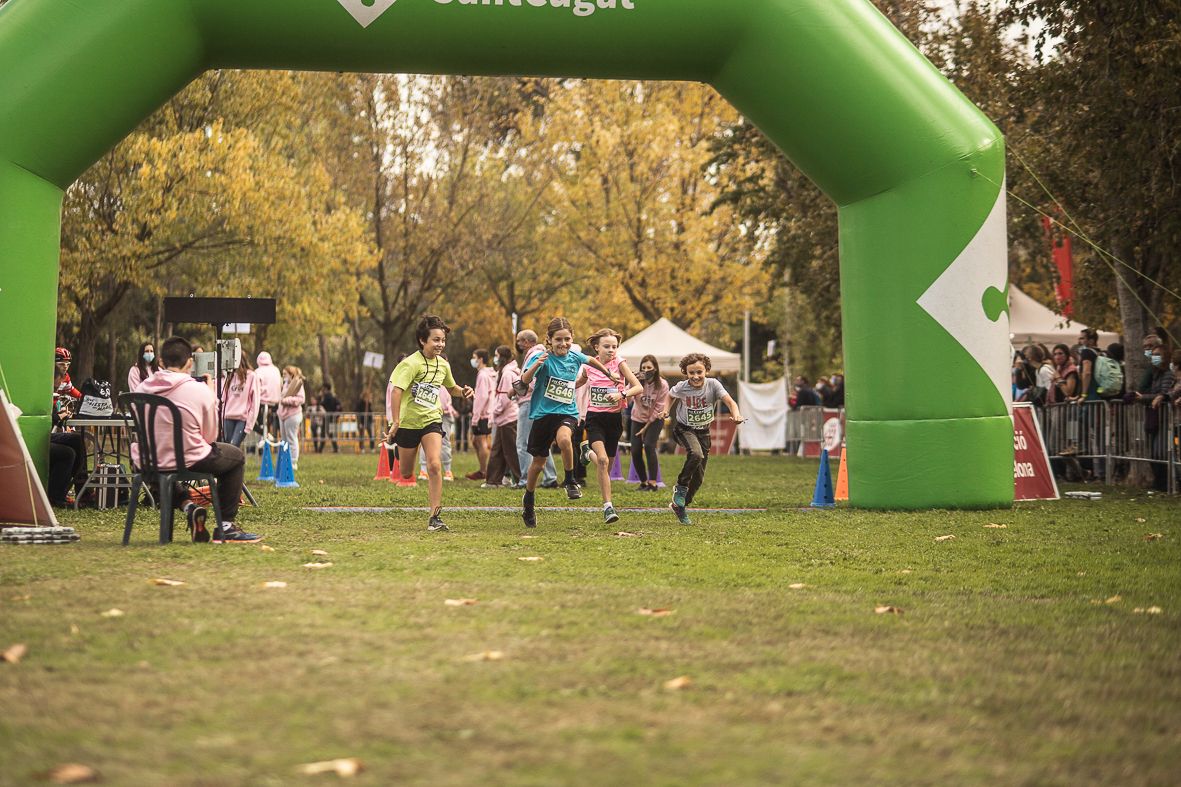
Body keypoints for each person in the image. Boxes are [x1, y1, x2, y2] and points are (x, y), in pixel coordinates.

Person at [133, 336, 261, 543]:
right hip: (189, 458)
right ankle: (226, 525)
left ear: (161, 362)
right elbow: (209, 437)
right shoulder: (198, 390)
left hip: (149, 460)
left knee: (161, 469)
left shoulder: (141, 389)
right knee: (236, 457)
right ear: (190, 363)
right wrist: (210, 396)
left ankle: (189, 506)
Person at [517, 317, 621, 528]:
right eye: (558, 340)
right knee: (538, 464)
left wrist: (608, 372)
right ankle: (528, 499)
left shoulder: (575, 355)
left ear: (572, 338)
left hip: (567, 412)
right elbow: (524, 381)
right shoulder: (540, 357)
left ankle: (570, 481)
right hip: (543, 414)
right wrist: (536, 364)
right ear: (549, 339)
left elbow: (590, 360)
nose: (563, 344)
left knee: (565, 439)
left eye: (567, 339)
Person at [387, 315, 473, 532]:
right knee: (406, 473)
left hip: (432, 420)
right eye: (436, 340)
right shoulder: (410, 364)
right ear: (422, 340)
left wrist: (463, 392)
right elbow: (396, 391)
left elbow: (451, 388)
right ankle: (401, 451)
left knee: (434, 465)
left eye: (443, 340)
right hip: (408, 423)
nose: (440, 344)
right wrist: (395, 422)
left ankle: (435, 516)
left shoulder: (443, 365)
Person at [661, 353, 745, 526]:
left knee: (698, 479)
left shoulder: (713, 385)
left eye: (699, 372)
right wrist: (666, 410)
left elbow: (730, 402)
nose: (695, 376)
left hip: (704, 432)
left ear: (706, 371)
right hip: (684, 429)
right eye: (691, 373)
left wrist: (736, 414)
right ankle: (680, 487)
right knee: (696, 454)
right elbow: (670, 396)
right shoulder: (682, 386)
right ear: (685, 373)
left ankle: (680, 506)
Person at [575, 328, 642, 524]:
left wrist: (621, 395)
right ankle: (608, 507)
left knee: (607, 467)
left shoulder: (619, 363)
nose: (611, 350)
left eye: (614, 346)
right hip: (594, 419)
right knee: (603, 461)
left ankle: (587, 453)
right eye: (607, 346)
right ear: (597, 347)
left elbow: (638, 387)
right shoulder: (589, 366)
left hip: (614, 420)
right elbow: (578, 383)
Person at [512, 329, 558, 489]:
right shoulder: (540, 353)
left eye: (519, 340)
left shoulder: (534, 355)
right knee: (542, 442)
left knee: (522, 443)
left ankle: (524, 479)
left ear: (526, 342)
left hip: (529, 402)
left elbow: (530, 382)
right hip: (539, 403)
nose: (517, 344)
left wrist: (517, 389)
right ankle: (550, 477)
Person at [629, 354, 669, 492]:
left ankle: (653, 483)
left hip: (656, 419)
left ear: (655, 369)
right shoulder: (636, 382)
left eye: (649, 367)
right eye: (643, 367)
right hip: (637, 418)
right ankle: (643, 482)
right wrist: (631, 382)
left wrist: (646, 427)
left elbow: (659, 407)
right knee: (635, 450)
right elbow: (627, 398)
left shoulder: (662, 384)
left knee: (649, 446)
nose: (646, 370)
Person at [48, 367, 87, 507]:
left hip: (49, 435)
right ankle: (78, 490)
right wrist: (59, 416)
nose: (57, 388)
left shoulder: (53, 395)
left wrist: (61, 416)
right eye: (56, 385)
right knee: (70, 449)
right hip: (42, 436)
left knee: (75, 442)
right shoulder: (45, 393)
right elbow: (47, 418)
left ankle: (81, 489)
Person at [484, 344, 521, 488]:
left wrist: (495, 411)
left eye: (496, 355)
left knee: (511, 451)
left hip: (508, 418)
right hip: (503, 418)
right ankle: (492, 480)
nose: (495, 358)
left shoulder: (507, 374)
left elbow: (505, 397)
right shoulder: (507, 372)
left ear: (503, 357)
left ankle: (520, 479)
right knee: (497, 450)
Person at [418, 382, 457, 482]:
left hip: (445, 416)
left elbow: (448, 398)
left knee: (444, 442)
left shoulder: (445, 379)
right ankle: (423, 470)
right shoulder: (425, 378)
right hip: (428, 414)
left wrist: (449, 409)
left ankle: (448, 471)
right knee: (425, 441)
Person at [467, 349, 496, 480]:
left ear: (480, 359)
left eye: (474, 357)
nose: (473, 360)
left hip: (483, 414)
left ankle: (484, 471)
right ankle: (483, 469)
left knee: (482, 441)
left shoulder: (483, 375)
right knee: (475, 440)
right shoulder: (490, 374)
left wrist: (476, 416)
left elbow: (482, 396)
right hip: (488, 412)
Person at [220, 353, 259, 448]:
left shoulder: (252, 376)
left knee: (233, 447)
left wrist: (249, 424)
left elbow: (255, 402)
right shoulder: (229, 376)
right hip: (227, 417)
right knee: (228, 448)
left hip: (242, 419)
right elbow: (223, 399)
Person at [278, 365, 306, 470]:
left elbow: (301, 399)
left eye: (285, 374)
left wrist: (287, 400)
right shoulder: (285, 384)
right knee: (284, 439)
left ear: (291, 374)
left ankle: (293, 461)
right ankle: (285, 460)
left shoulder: (298, 384)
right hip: (283, 415)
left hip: (293, 415)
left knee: (291, 438)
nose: (283, 376)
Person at [255, 351, 282, 448]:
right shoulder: (276, 370)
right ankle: (266, 434)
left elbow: (255, 387)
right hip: (275, 402)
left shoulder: (258, 371)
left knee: (253, 421)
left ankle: (264, 434)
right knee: (268, 422)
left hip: (261, 401)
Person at [319, 383, 341, 452]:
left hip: (327, 418)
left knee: (324, 433)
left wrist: (320, 397)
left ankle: (320, 449)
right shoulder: (334, 396)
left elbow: (321, 404)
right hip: (332, 418)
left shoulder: (326, 397)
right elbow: (339, 406)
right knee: (331, 433)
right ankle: (335, 448)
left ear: (325, 388)